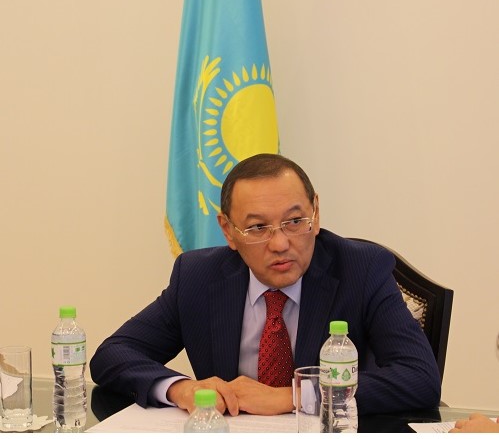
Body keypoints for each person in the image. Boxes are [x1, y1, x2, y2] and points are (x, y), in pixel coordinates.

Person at [90, 153, 441, 416]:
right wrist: (181, 389)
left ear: (316, 213)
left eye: (294, 221)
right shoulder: (198, 276)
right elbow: (113, 354)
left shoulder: (361, 270)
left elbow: (420, 378)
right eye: (258, 228)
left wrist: (293, 396)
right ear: (228, 231)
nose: (280, 243)